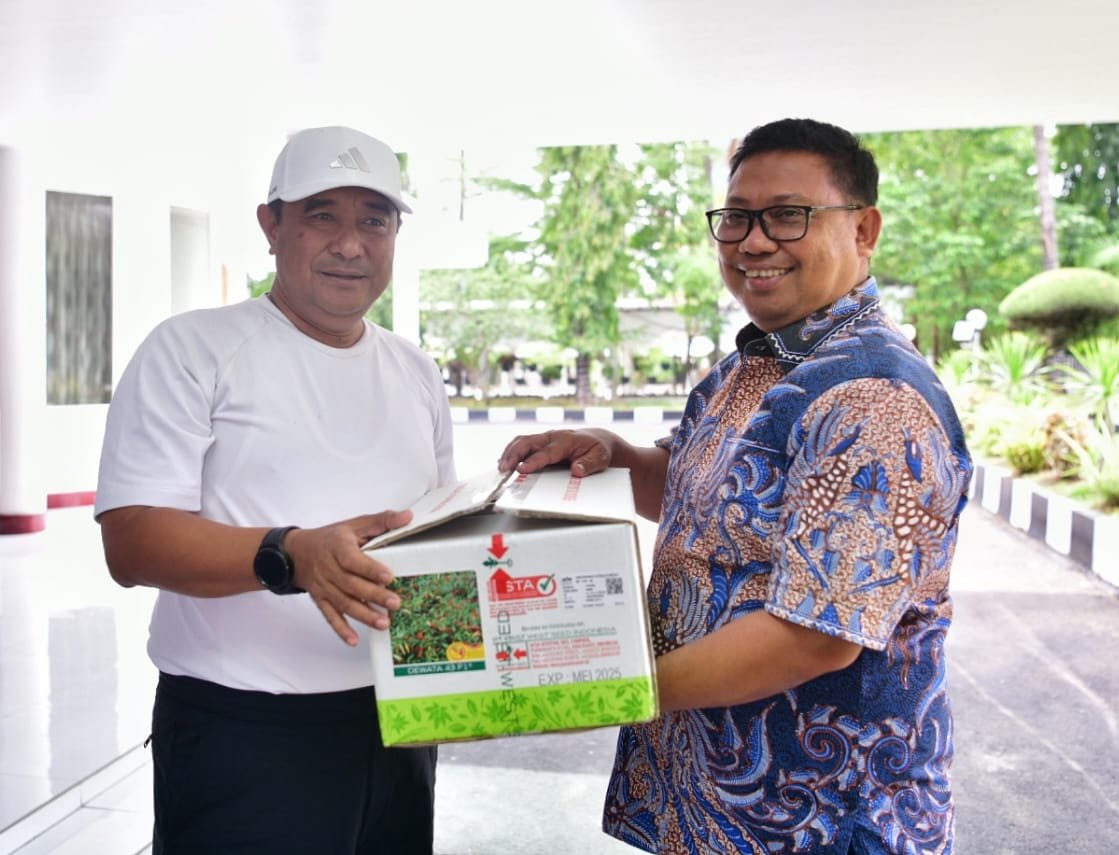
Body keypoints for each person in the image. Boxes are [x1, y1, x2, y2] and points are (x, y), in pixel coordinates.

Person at [499, 118, 972, 854]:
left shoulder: (871, 397)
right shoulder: (761, 363)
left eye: (788, 215)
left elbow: (815, 637)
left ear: (864, 229)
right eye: (738, 218)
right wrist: (615, 454)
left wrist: (605, 685)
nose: (753, 242)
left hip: (815, 818)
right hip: (714, 805)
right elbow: (712, 502)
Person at [94, 125, 455, 854]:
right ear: (271, 225)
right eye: (322, 214)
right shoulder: (191, 349)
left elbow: (439, 542)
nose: (350, 244)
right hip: (244, 735)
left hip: (400, 726)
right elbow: (131, 541)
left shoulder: (416, 371)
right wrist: (290, 554)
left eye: (374, 221)